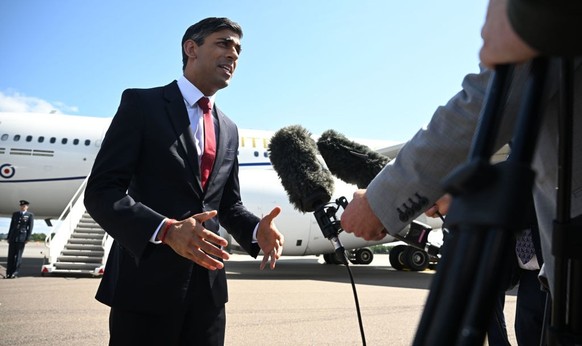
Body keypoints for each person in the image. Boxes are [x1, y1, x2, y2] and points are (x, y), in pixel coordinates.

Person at [84, 17, 285, 345]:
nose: (233, 55)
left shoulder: (230, 129)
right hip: (145, 288)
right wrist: (166, 230)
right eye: (223, 43)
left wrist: (254, 230)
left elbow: (227, 205)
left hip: (208, 295)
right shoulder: (142, 105)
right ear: (191, 48)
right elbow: (102, 192)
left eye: (238, 49)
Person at [426, 194, 547, 345]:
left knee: (545, 327)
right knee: (527, 328)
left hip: (550, 266)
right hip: (522, 267)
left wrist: (459, 198)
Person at [6, 200, 34, 279]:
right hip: (13, 237)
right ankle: (9, 273)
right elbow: (11, 226)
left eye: (24, 206)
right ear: (20, 206)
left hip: (22, 238)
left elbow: (30, 228)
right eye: (21, 206)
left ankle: (15, 273)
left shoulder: (30, 215)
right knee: (10, 256)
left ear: (27, 207)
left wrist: (27, 238)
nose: (23, 207)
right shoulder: (15, 214)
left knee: (18, 257)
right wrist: (8, 237)